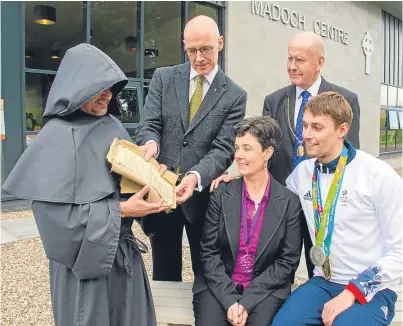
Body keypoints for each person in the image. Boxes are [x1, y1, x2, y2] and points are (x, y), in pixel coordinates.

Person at [2, 44, 169, 326]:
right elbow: (56, 225)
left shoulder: (112, 125)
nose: (108, 95)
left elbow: (127, 185)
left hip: (124, 262)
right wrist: (122, 211)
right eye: (99, 88)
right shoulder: (53, 140)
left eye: (110, 88)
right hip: (85, 270)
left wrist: (154, 181)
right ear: (78, 87)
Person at [212, 31, 361, 279]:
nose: (292, 66)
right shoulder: (275, 100)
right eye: (289, 59)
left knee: (325, 271)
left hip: (326, 206)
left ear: (319, 62)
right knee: (278, 269)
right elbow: (265, 151)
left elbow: (350, 157)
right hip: (282, 203)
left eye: (300, 60)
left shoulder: (345, 100)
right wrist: (241, 177)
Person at [272, 91, 402, 326]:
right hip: (324, 282)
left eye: (317, 127)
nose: (306, 135)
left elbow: (400, 251)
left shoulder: (378, 175)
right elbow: (272, 199)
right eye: (305, 125)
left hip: (372, 289)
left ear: (342, 130)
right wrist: (241, 181)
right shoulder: (302, 174)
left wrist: (353, 291)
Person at [135, 15, 247, 282]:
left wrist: (195, 177)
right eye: (191, 50)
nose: (198, 58)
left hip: (202, 198)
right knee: (163, 271)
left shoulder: (234, 95)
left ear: (220, 43)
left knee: (207, 273)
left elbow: (223, 149)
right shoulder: (164, 78)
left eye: (206, 49)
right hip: (161, 194)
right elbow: (149, 124)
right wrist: (151, 143)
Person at [193, 116, 301, 326]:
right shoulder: (221, 194)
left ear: (267, 153)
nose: (239, 156)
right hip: (219, 284)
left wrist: (246, 302)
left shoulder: (289, 202)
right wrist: (230, 300)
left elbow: (287, 262)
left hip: (265, 289)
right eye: (237, 148)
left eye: (247, 148)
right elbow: (209, 252)